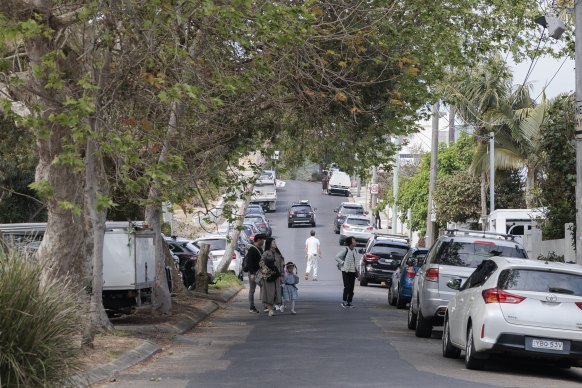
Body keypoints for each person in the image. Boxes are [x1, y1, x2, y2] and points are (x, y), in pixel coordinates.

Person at [259, 238, 282, 317]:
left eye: (275, 242)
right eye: (273, 242)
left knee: (276, 293)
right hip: (269, 277)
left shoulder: (278, 254)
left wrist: (282, 275)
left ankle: (273, 307)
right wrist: (267, 269)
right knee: (269, 293)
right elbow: (261, 263)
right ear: (269, 244)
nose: (275, 243)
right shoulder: (266, 253)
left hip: (277, 276)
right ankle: (270, 310)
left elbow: (282, 265)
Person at [245, 233, 266, 313]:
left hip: (260, 272)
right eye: (262, 240)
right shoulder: (251, 249)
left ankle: (265, 305)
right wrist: (252, 274)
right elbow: (250, 262)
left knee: (263, 287)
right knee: (252, 290)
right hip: (253, 273)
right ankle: (251, 307)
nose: (263, 241)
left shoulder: (260, 249)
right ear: (258, 240)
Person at [335, 236, 359, 308]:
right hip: (346, 271)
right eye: (354, 240)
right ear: (350, 243)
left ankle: (349, 302)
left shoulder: (354, 250)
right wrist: (342, 263)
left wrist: (357, 271)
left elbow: (354, 261)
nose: (355, 242)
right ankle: (344, 301)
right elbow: (337, 257)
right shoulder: (345, 249)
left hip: (353, 271)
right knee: (347, 287)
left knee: (351, 288)